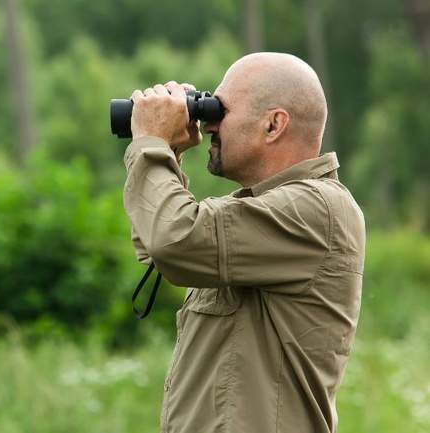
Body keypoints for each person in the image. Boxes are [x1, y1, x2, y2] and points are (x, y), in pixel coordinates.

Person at [123, 52, 366, 433]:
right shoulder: (265, 211)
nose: (209, 123)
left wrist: (152, 140)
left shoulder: (316, 208)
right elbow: (161, 242)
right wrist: (167, 151)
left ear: (273, 124)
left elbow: (175, 240)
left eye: (219, 109)